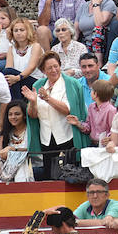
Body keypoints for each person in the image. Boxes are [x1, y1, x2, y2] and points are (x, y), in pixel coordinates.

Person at [22, 52, 90, 180]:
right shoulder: (38, 85)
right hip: (46, 138)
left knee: (69, 176)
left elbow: (67, 109)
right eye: (49, 68)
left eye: (56, 66)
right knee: (50, 176)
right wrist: (32, 102)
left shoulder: (70, 83)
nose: (54, 70)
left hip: (66, 136)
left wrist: (47, 98)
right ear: (43, 70)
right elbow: (33, 115)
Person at [0, 100, 36, 182]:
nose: (13, 117)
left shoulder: (31, 130)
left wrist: (14, 150)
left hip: (30, 165)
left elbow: (34, 150)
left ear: (24, 116)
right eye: (10, 114)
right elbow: (1, 154)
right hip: (10, 168)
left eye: (17, 114)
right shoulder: (6, 133)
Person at [4, 17, 44, 102]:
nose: (18, 33)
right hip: (18, 80)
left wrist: (17, 78)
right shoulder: (11, 48)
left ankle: (16, 104)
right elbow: (8, 68)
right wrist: (14, 78)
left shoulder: (35, 46)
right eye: (16, 30)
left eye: (22, 30)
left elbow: (31, 67)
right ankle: (18, 105)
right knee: (8, 74)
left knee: (12, 77)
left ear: (28, 31)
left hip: (34, 80)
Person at [68, 79, 116, 145]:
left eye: (92, 90)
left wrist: (110, 138)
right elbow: (88, 127)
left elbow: (115, 129)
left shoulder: (111, 110)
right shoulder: (91, 107)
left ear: (95, 94)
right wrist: (78, 123)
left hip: (105, 145)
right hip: (93, 144)